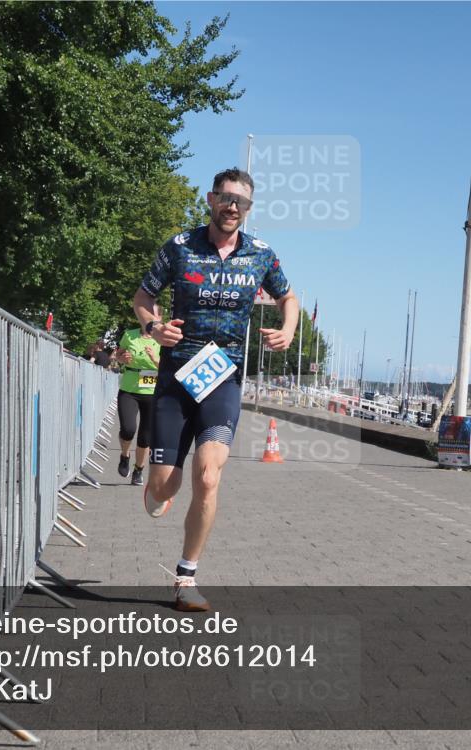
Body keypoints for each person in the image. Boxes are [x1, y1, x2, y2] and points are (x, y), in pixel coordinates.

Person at [132, 167, 298, 611]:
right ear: (210, 199)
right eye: (225, 199)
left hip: (223, 375)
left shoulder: (261, 254)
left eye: (241, 202)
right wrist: (153, 327)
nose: (232, 208)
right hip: (176, 375)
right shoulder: (181, 246)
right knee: (165, 490)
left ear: (249, 208)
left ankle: (186, 578)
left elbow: (288, 297)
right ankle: (157, 490)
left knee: (209, 476)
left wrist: (289, 328)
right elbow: (143, 296)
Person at [113, 313, 162, 485]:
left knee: (145, 437)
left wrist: (156, 360)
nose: (149, 319)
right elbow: (118, 355)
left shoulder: (164, 339)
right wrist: (122, 358)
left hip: (153, 392)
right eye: (146, 315)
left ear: (160, 317)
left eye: (154, 315)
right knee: (128, 429)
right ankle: (124, 456)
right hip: (129, 389)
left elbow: (171, 367)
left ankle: (138, 470)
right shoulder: (130, 335)